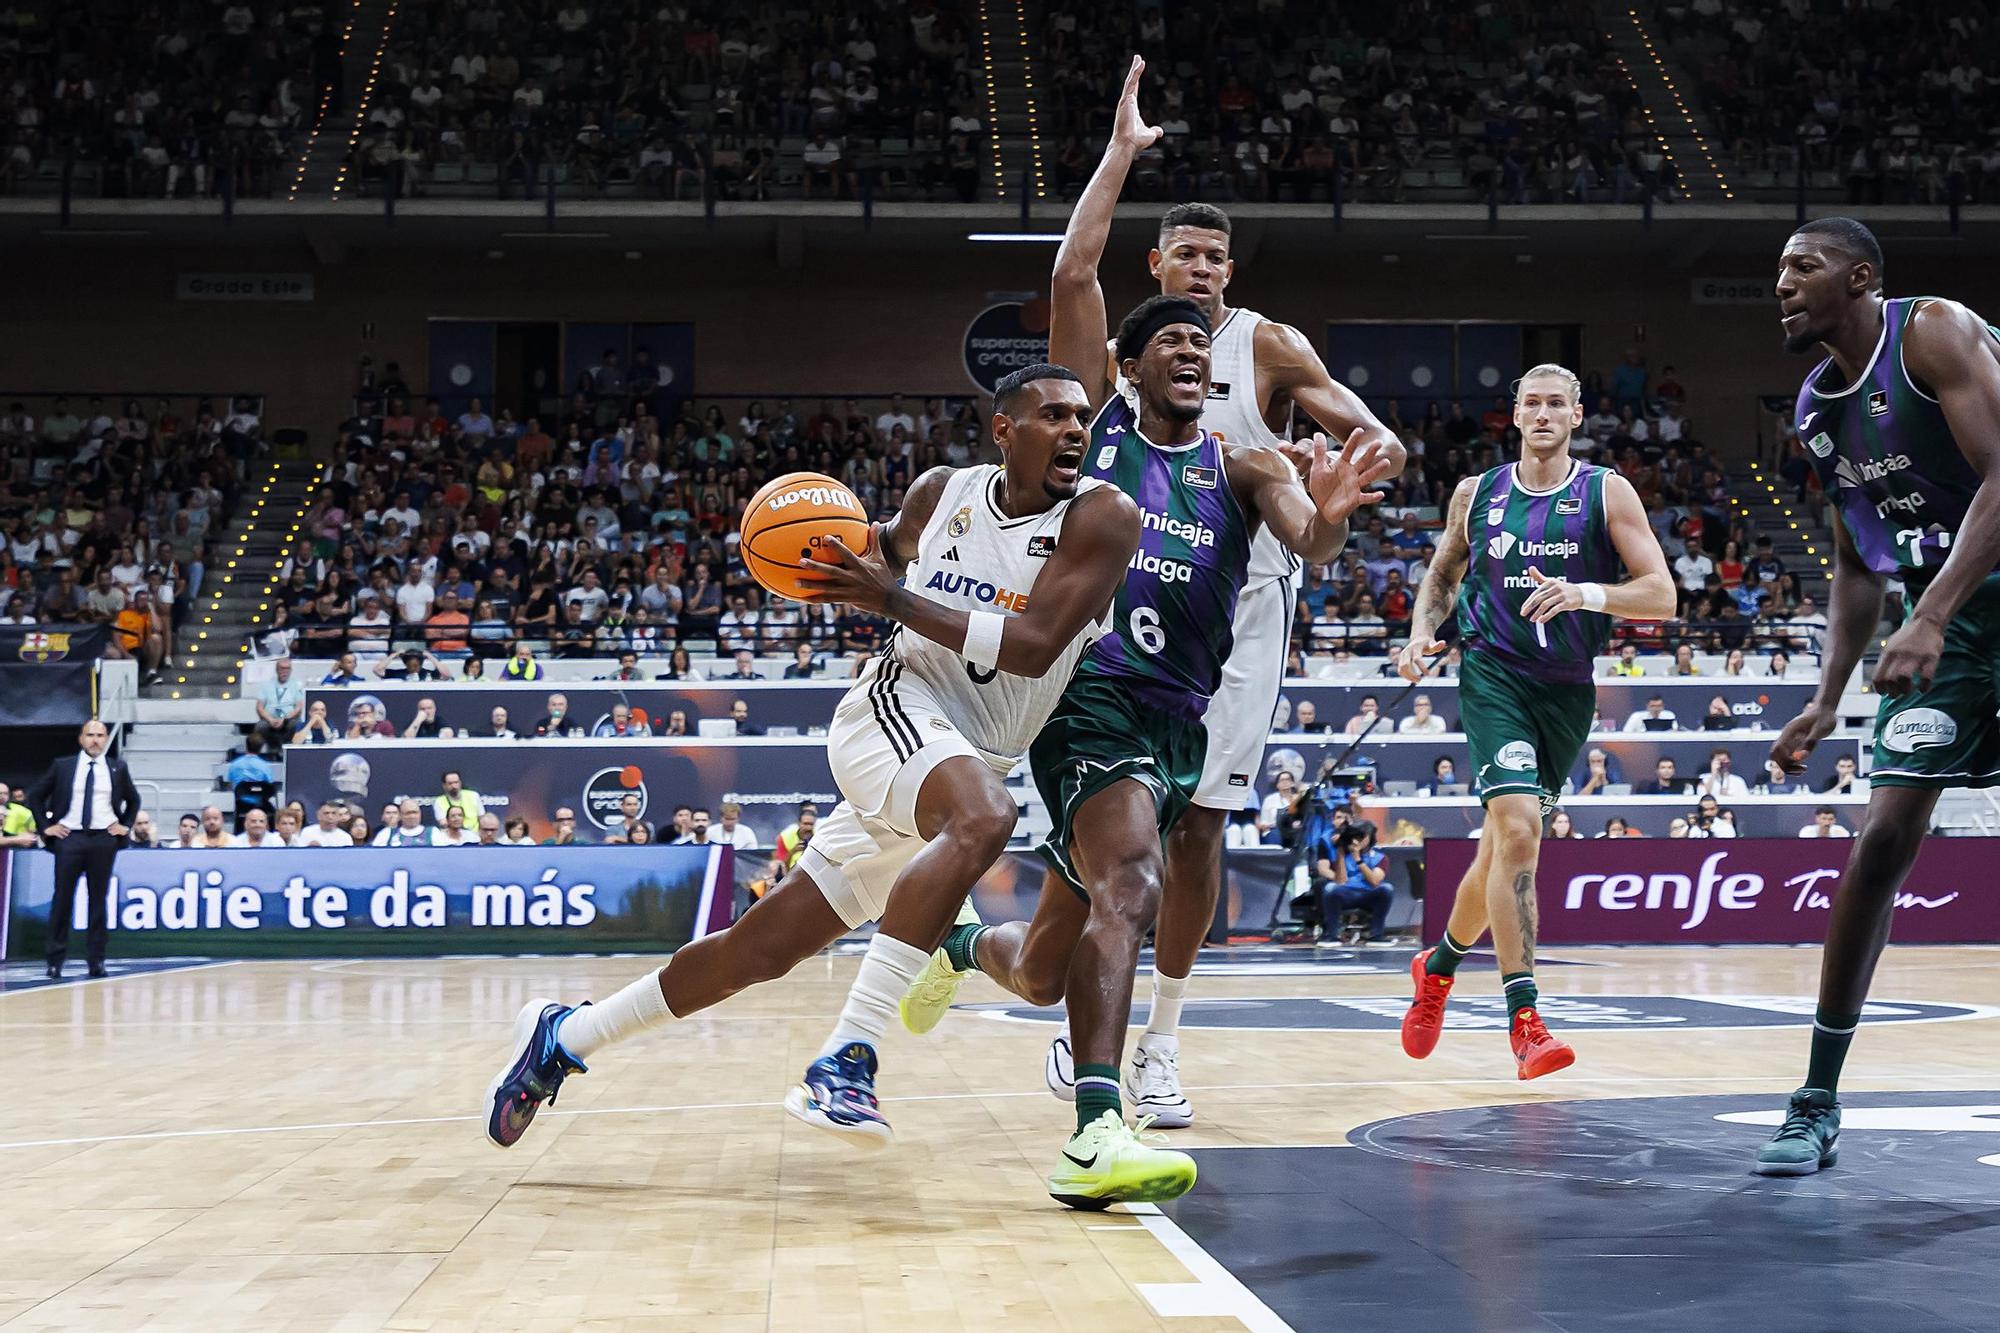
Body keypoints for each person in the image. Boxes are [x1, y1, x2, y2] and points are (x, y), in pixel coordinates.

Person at [480, 361, 1145, 1194]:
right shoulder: (944, 494)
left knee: (757, 951)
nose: (1077, 429)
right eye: (1053, 414)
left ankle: (565, 1037)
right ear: (1004, 430)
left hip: (964, 754)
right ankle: (847, 1057)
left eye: (1082, 415)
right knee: (985, 817)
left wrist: (891, 597)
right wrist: (822, 562)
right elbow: (872, 555)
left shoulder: (1102, 516)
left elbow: (1038, 643)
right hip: (895, 713)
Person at [926, 67, 1394, 1206]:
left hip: (1177, 719)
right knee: (1133, 877)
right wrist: (1121, 154)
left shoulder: (1245, 464)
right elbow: (1072, 272)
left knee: (1044, 962)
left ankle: (956, 949)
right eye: (1167, 343)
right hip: (1089, 701)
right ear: (1127, 368)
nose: (1190, 350)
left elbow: (1311, 542)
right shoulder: (1099, 442)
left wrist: (1326, 514)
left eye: (1202, 343)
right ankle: (1097, 1124)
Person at [1753, 219, 2000, 1175]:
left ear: (1860, 278)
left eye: (1801, 267)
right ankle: (1816, 1096)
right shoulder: (1817, 407)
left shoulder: (1931, 330)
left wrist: (1928, 614)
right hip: (1955, 619)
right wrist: (1827, 697)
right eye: (1777, 269)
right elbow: (1860, 559)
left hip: (1955, 603)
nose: (1782, 283)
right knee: (1885, 836)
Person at [1396, 362, 1674, 1080]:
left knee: (1499, 850)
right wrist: (1424, 630)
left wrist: (1584, 592)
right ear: (1513, 415)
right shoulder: (1478, 493)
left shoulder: (1605, 492)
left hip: (1566, 691)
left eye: (1557, 403)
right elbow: (1443, 571)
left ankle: (1439, 966)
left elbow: (1661, 595)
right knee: (1519, 827)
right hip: (1493, 676)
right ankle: (1525, 1020)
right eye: (1532, 403)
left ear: (1578, 415)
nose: (1544, 413)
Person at [27, 719, 142, 979]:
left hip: (103, 839)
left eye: (100, 735)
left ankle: (96, 960)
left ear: (105, 739)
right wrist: (46, 826)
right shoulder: (63, 766)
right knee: (62, 899)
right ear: (81, 738)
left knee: (98, 901)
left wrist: (124, 825)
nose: (95, 740)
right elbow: (35, 795)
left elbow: (134, 800)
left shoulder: (117, 768)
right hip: (70, 838)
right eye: (90, 735)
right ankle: (54, 960)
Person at [1315, 820, 1392, 943]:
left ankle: (1376, 934)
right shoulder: (1343, 856)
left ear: (1369, 838)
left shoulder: (1380, 857)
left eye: (1361, 836)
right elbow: (1340, 881)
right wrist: (1340, 851)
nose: (1358, 840)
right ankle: (1332, 935)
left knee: (1387, 889)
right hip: (1347, 894)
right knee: (1330, 889)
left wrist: (1358, 859)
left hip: (1369, 894)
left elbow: (1375, 881)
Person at [253, 657, 305, 750]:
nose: (284, 671)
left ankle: (286, 749)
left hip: (288, 719)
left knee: (296, 724)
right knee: (260, 726)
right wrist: (270, 719)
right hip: (270, 720)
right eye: (282, 668)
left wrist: (284, 719)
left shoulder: (297, 685)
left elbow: (298, 707)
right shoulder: (266, 685)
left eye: (287, 668)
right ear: (277, 669)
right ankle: (273, 750)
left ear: (291, 670)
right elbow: (259, 707)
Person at [372, 800, 437, 847]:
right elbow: (375, 855)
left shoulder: (433, 832)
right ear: (400, 815)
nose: (412, 816)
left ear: (420, 813)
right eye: (408, 813)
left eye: (415, 812)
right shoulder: (387, 833)